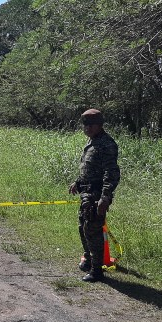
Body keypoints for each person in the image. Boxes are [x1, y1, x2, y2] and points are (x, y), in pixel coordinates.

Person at [68, 109, 120, 282]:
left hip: (97, 194)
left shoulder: (107, 144)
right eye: (85, 125)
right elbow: (89, 168)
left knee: (93, 231)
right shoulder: (92, 141)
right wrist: (77, 182)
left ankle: (97, 270)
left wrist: (105, 197)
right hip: (86, 193)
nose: (87, 128)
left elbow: (111, 172)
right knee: (83, 227)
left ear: (100, 125)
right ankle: (89, 259)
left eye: (91, 125)